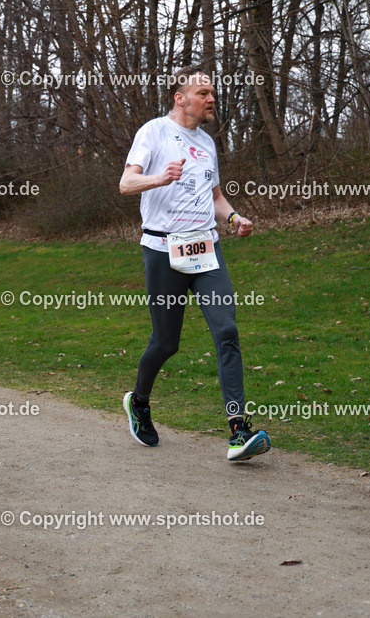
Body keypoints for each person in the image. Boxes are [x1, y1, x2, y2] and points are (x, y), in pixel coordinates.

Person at [118, 67, 271, 461]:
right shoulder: (152, 132)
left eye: (212, 93)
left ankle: (239, 430)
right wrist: (159, 178)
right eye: (203, 92)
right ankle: (139, 401)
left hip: (206, 249)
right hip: (162, 250)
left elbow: (215, 196)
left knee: (227, 330)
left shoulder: (207, 143)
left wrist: (234, 218)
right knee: (166, 342)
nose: (211, 99)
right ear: (180, 97)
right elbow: (126, 184)